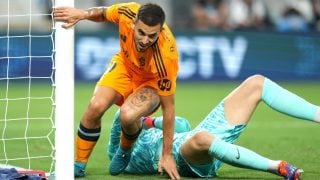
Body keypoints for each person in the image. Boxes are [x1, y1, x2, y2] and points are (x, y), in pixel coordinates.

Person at [53, 2, 180, 179]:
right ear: (134, 23)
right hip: (125, 67)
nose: (145, 40)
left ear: (160, 31)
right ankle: (78, 165)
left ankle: (125, 150)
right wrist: (83, 14)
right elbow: (104, 13)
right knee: (95, 106)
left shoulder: (166, 57)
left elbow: (169, 108)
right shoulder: (127, 11)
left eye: (152, 36)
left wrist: (167, 155)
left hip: (151, 82)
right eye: (141, 33)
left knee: (127, 116)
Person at [108, 74, 320, 179]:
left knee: (256, 83)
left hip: (195, 136)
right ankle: (279, 167)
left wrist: (149, 122)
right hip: (188, 159)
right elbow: (115, 164)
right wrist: (134, 123)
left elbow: (182, 125)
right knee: (202, 137)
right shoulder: (120, 149)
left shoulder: (146, 125)